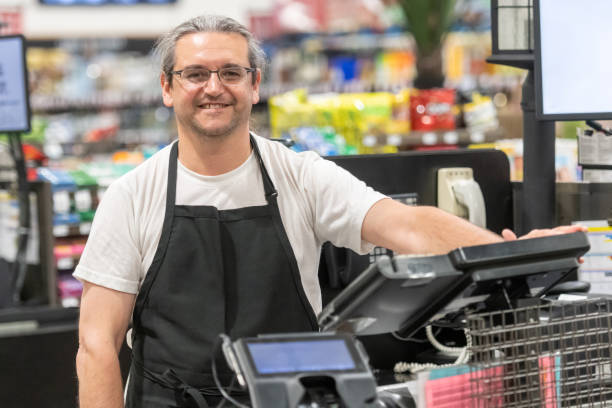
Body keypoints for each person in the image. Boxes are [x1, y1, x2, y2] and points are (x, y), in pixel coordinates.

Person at [74, 14, 584, 408]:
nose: (214, 87)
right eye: (195, 74)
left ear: (254, 85)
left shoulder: (299, 174)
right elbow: (99, 344)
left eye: (231, 72)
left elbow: (405, 224)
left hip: (290, 396)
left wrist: (504, 253)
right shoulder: (131, 196)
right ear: (168, 88)